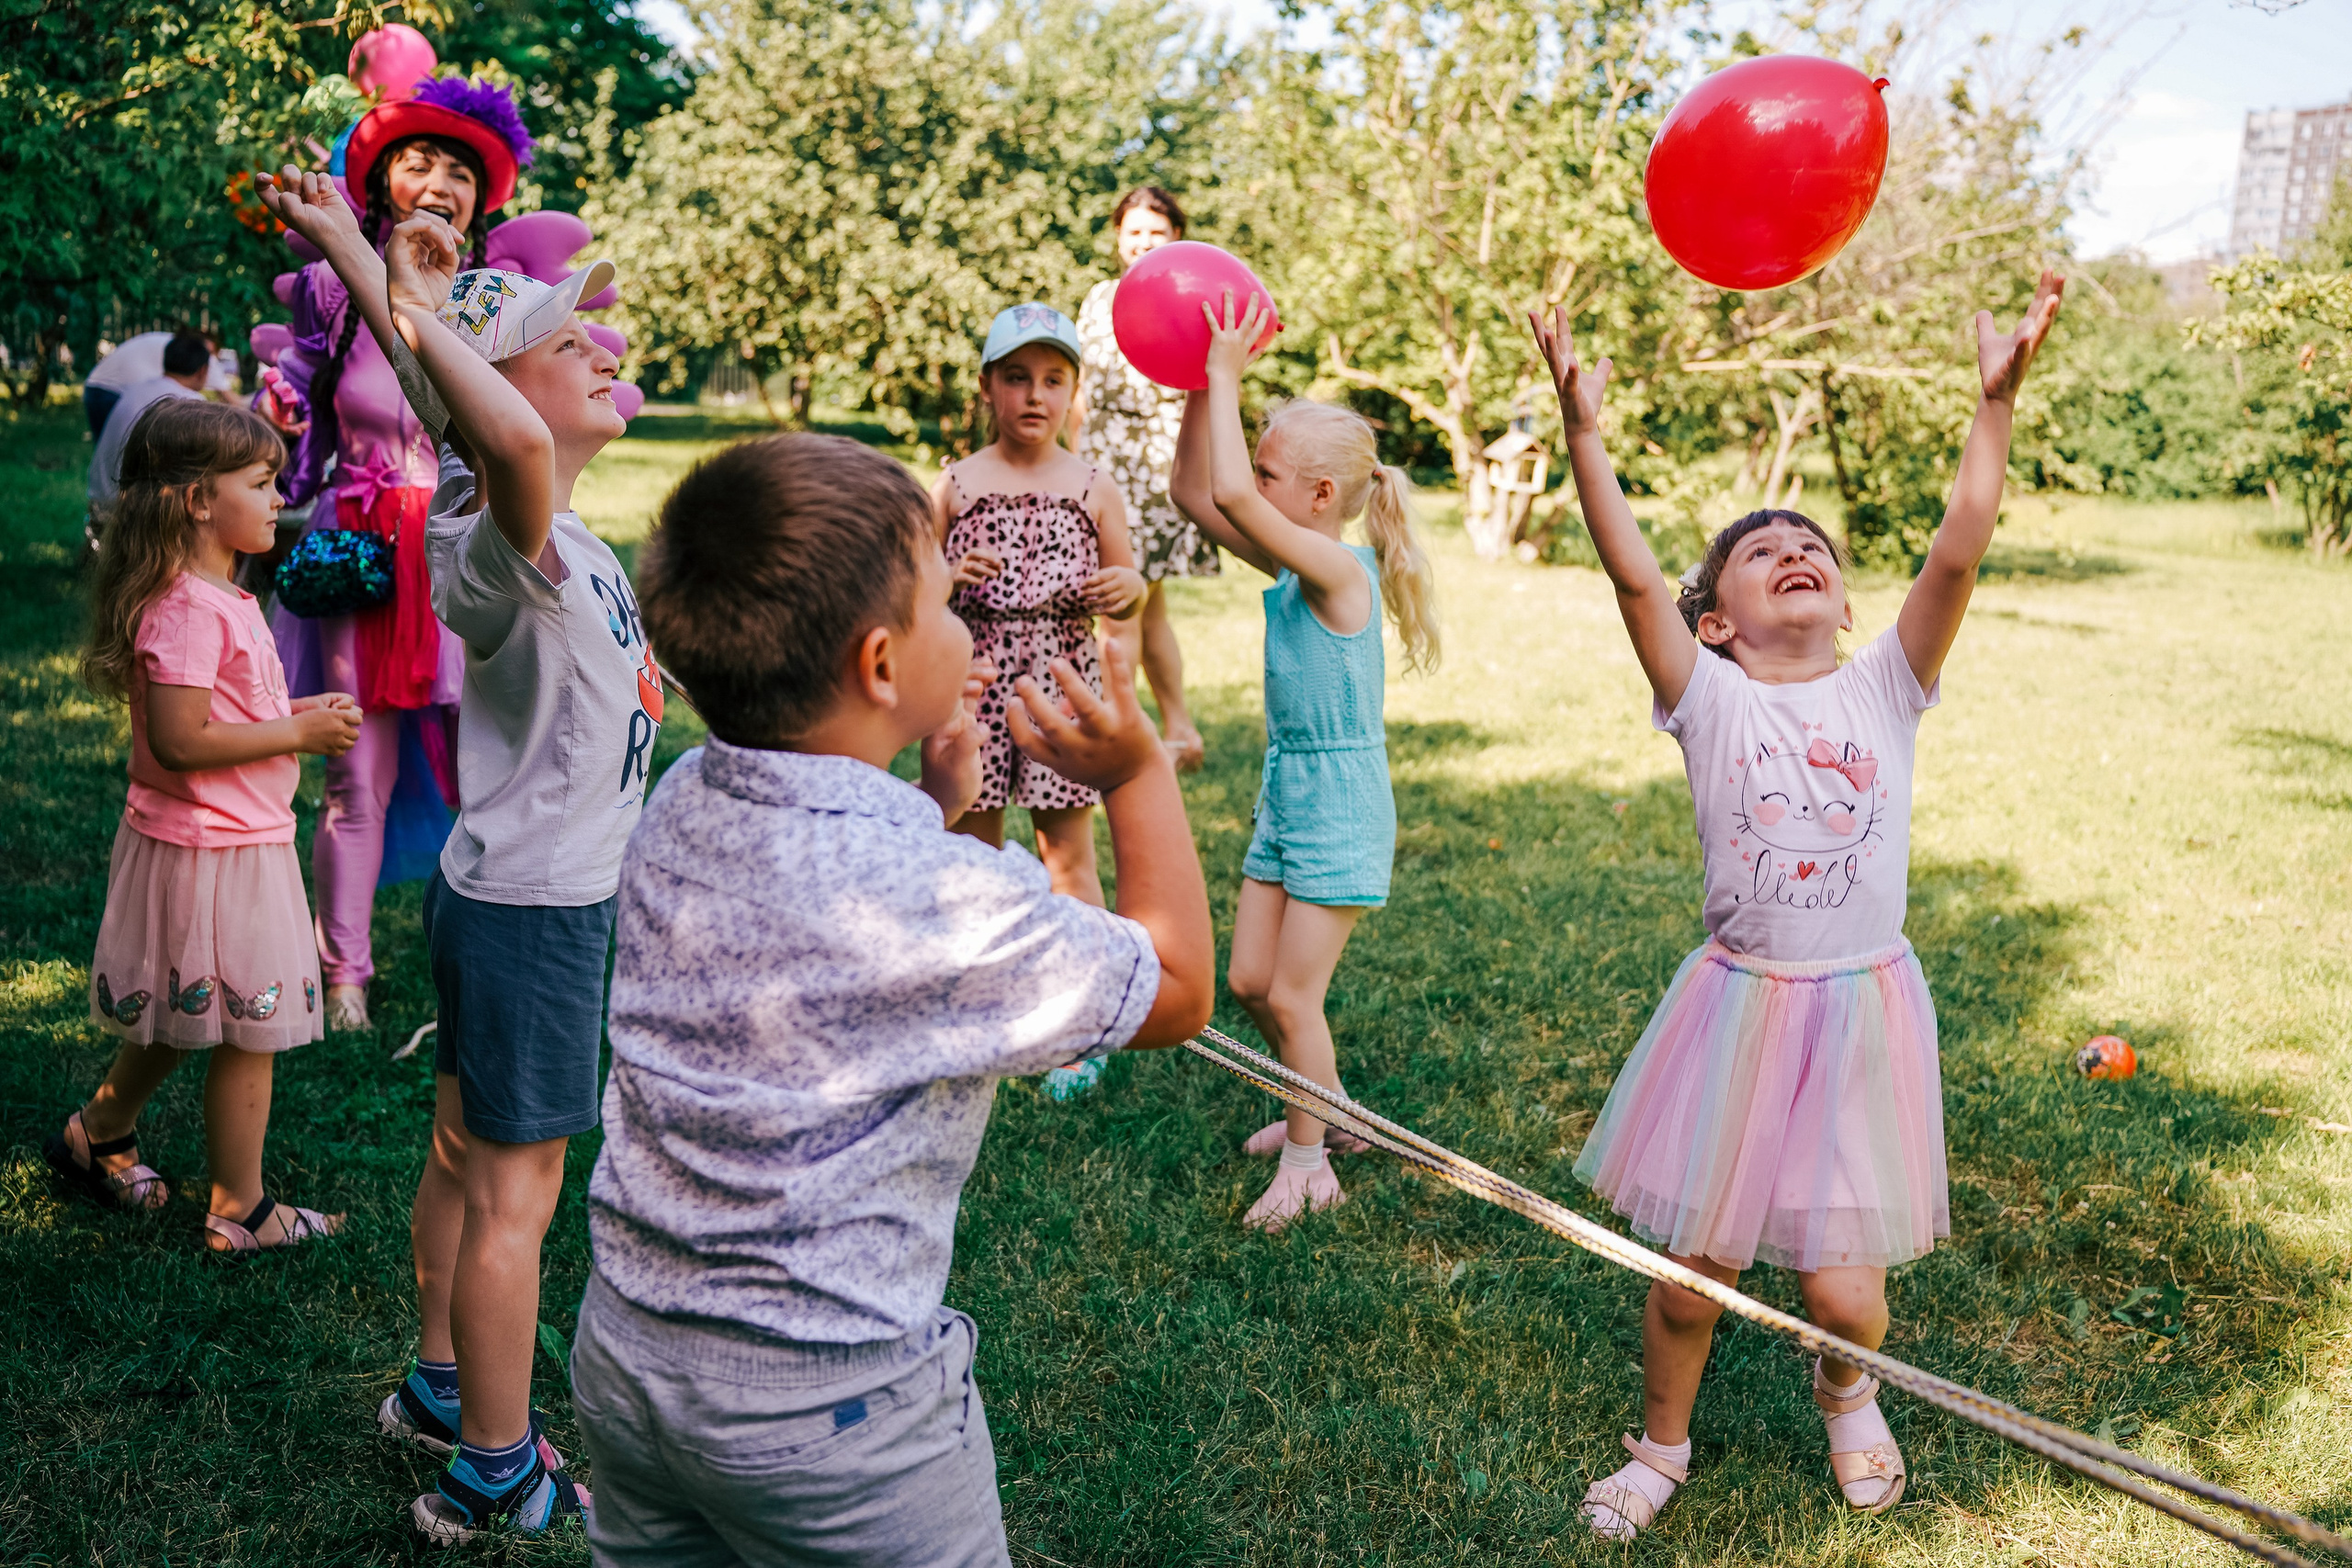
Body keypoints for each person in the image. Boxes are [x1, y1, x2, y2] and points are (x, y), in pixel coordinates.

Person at [570, 431, 1214, 1567]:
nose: (964, 622)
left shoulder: (681, 796)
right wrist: (1137, 773)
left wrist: (933, 804)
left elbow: (829, 886)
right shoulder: (936, 893)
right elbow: (1174, 991)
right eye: (946, 601)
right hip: (832, 1416)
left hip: (624, 1354)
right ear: (880, 664)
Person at [1527, 273, 2065, 1539]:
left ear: (1844, 602)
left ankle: (1845, 1382)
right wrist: (1582, 432)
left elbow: (1959, 544)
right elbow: (1631, 580)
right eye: (1762, 551)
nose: (1796, 551)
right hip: (1739, 1011)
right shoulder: (1709, 699)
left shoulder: (1887, 685)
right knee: (1692, 1277)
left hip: (1861, 1008)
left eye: (1811, 544)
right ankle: (1661, 1445)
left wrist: (1994, 405)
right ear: (1718, 622)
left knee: (1845, 1293)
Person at [259, 166, 643, 1541]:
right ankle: (494, 1463)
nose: (604, 349)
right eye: (567, 342)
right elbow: (493, 429)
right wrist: (415, 303)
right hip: (540, 911)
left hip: (507, 892)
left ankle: (439, 1385)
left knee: (463, 1151)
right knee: (514, 1195)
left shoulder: (535, 521)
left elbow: (462, 412)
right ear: (503, 393)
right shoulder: (505, 530)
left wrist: (369, 262)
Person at [45, 399, 362, 1251]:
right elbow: (181, 741)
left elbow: (227, 710)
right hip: (211, 846)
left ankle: (97, 1131)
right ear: (196, 501)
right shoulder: (187, 609)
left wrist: (296, 710)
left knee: (187, 1014)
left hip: (230, 836)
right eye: (260, 483)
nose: (279, 497)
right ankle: (242, 1210)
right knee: (248, 1028)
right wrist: (296, 733)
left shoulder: (221, 595)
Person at [267, 75, 537, 1033]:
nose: (438, 183)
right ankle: (344, 975)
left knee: (491, 770)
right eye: (418, 163)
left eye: (460, 171)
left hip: (469, 550)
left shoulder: (503, 301)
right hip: (361, 562)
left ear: (481, 198)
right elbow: (301, 408)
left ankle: (486, 960)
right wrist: (280, 414)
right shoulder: (331, 289)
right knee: (354, 772)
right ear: (382, 182)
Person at [1170, 294, 1441, 1230]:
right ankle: (1327, 1109)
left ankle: (1311, 1162)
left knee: (1293, 995)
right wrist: (1194, 390)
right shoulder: (1295, 564)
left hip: (1340, 803)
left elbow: (1230, 496)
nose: (1253, 478)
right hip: (1289, 790)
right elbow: (1195, 495)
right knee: (1251, 983)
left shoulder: (1337, 573)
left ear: (1321, 497)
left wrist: (1225, 373)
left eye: (1270, 469)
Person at [1074, 186, 1216, 771]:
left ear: (1176, 237)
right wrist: (1072, 462)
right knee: (1149, 610)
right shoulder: (1097, 299)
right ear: (1118, 237)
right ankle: (1181, 732)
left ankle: (1119, 732)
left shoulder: (1189, 295)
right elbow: (1080, 390)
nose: (1144, 242)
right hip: (1100, 464)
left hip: (1157, 469)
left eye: (1156, 232)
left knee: (1120, 608)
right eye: (1134, 231)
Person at [86, 332, 213, 521]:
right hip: (135, 515)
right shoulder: (192, 403)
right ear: (203, 371)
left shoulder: (135, 390)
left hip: (99, 502)